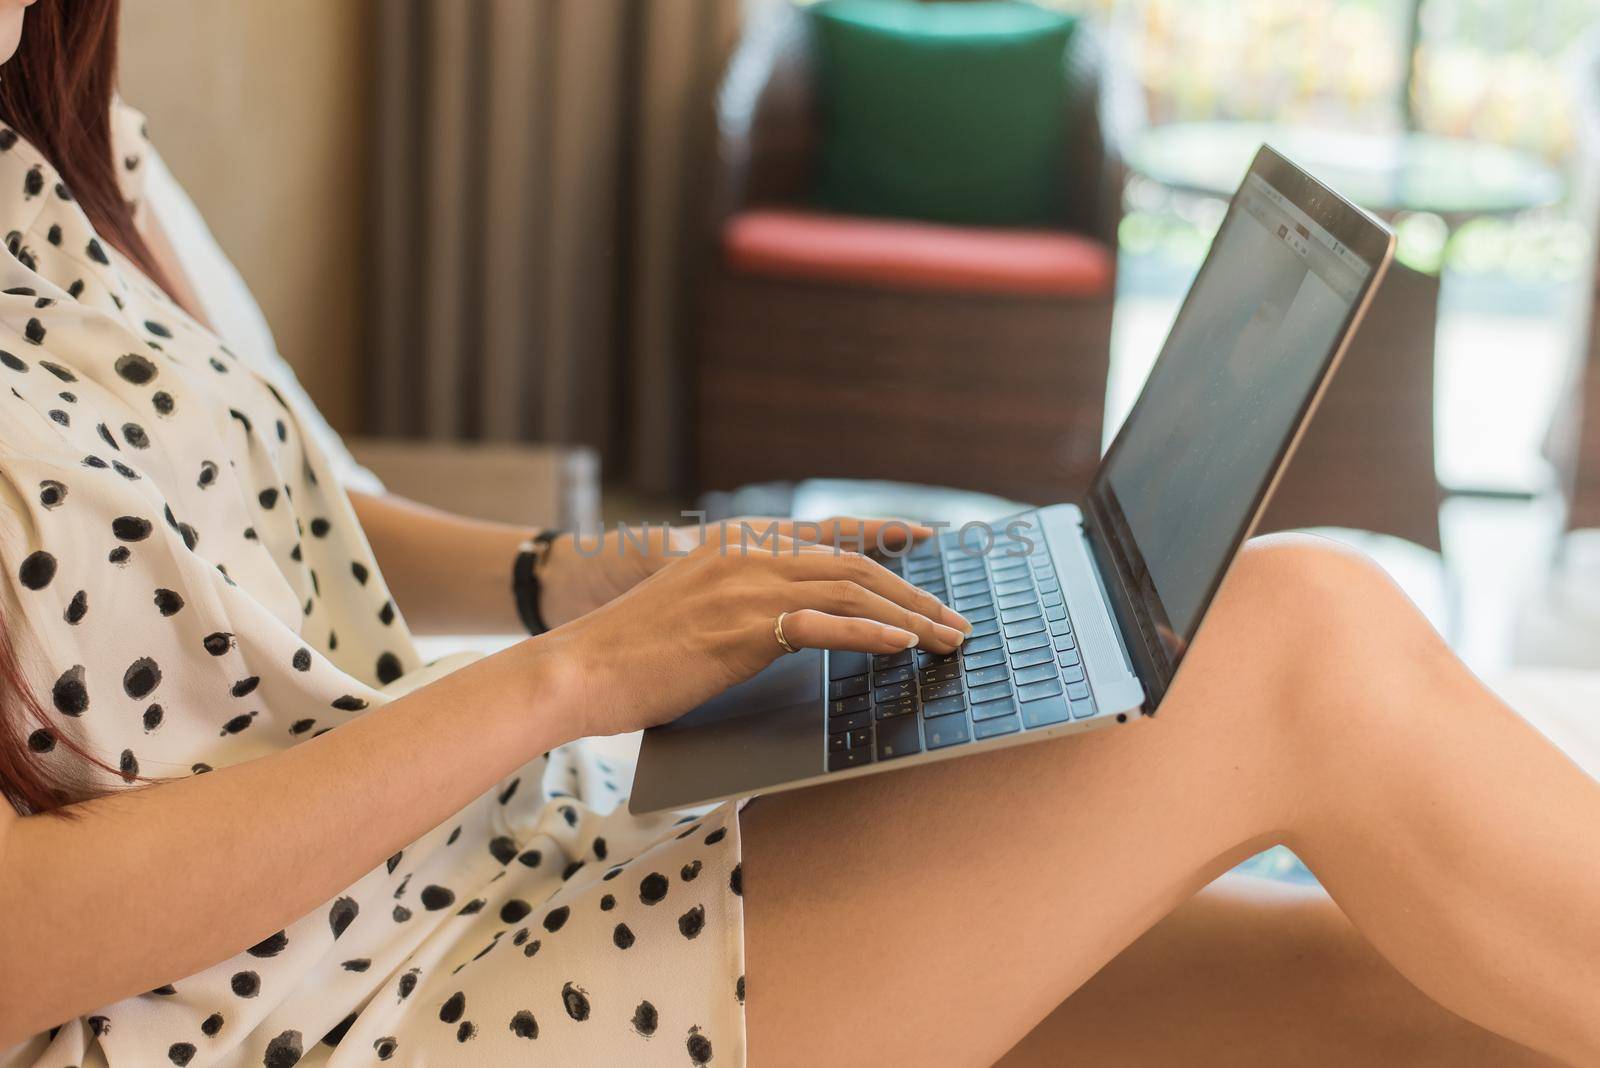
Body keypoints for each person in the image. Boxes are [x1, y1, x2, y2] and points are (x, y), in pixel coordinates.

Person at [0, 2, 1596, 1065]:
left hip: (514, 840)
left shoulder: (63, 154)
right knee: (1299, 644)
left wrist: (572, 579)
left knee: (1383, 984)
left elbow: (273, 508)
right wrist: (564, 681)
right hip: (365, 1008)